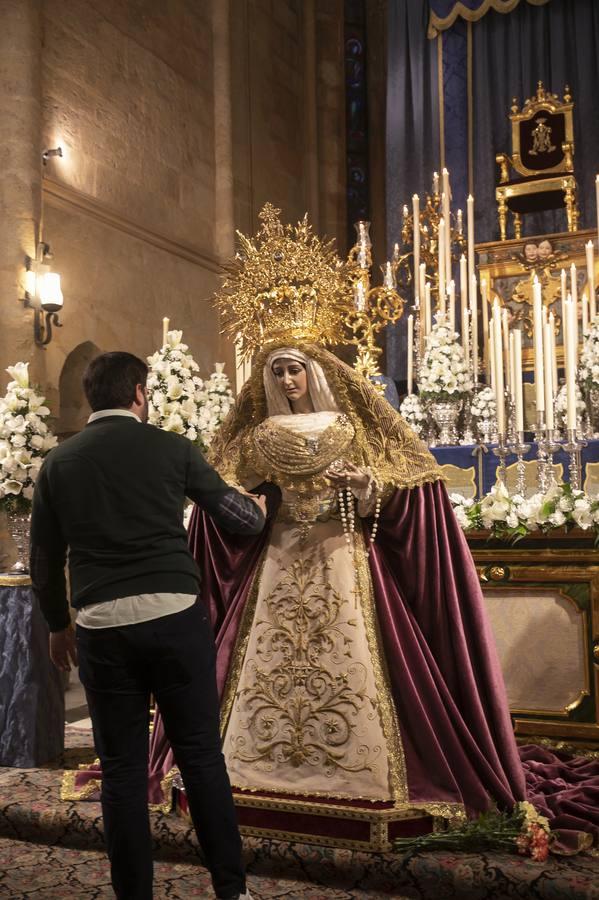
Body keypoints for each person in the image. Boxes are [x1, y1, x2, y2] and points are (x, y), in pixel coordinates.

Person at [148, 339, 527, 821]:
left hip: (344, 557)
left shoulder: (352, 428)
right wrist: (253, 508)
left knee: (351, 658)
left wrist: (366, 489)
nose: (287, 380)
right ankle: (259, 769)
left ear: (315, 373)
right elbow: (229, 496)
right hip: (279, 559)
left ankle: (361, 774)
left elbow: (392, 495)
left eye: (295, 370)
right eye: (279, 371)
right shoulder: (259, 436)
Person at [30, 351, 264, 900]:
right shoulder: (171, 448)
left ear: (91, 397)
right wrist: (267, 496)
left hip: (101, 625)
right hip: (173, 615)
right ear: (139, 392)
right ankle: (232, 891)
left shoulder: (58, 464)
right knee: (201, 755)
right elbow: (242, 520)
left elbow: (44, 559)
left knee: (122, 770)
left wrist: (57, 624)